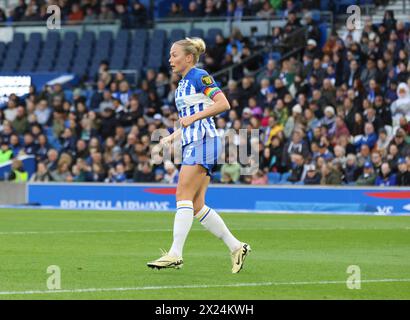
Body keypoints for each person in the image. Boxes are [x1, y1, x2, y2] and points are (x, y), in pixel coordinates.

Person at [147, 37, 251, 273]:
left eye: (174, 54)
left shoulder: (199, 75)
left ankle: (175, 253)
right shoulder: (182, 84)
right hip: (194, 141)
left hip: (205, 140)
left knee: (181, 193)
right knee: (196, 205)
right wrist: (172, 137)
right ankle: (236, 246)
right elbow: (189, 117)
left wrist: (192, 119)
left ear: (189, 58)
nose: (170, 59)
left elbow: (223, 104)